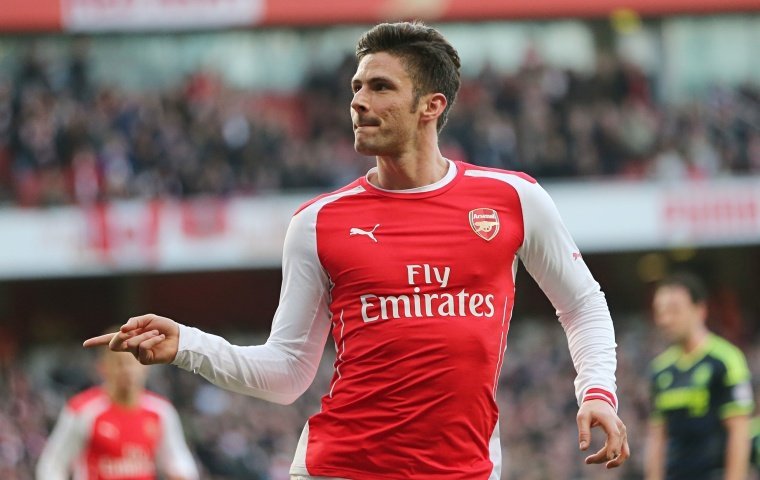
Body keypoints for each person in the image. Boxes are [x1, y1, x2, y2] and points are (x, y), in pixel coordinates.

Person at [84, 21, 629, 479]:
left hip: (466, 470)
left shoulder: (513, 199)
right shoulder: (317, 223)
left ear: (431, 105)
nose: (359, 102)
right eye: (357, 87)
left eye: (380, 87)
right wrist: (187, 345)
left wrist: (597, 392)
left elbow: (582, 304)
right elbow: (287, 373)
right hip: (340, 468)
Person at [36, 337, 199, 480]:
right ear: (102, 367)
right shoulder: (83, 410)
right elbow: (52, 465)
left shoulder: (161, 411)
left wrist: (182, 473)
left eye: (133, 362)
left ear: (146, 366)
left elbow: (179, 460)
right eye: (119, 363)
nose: (127, 370)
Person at [645, 273, 754, 480]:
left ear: (700, 310)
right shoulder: (660, 369)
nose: (665, 320)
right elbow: (657, 436)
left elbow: (739, 432)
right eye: (660, 312)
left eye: (674, 310)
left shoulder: (726, 360)